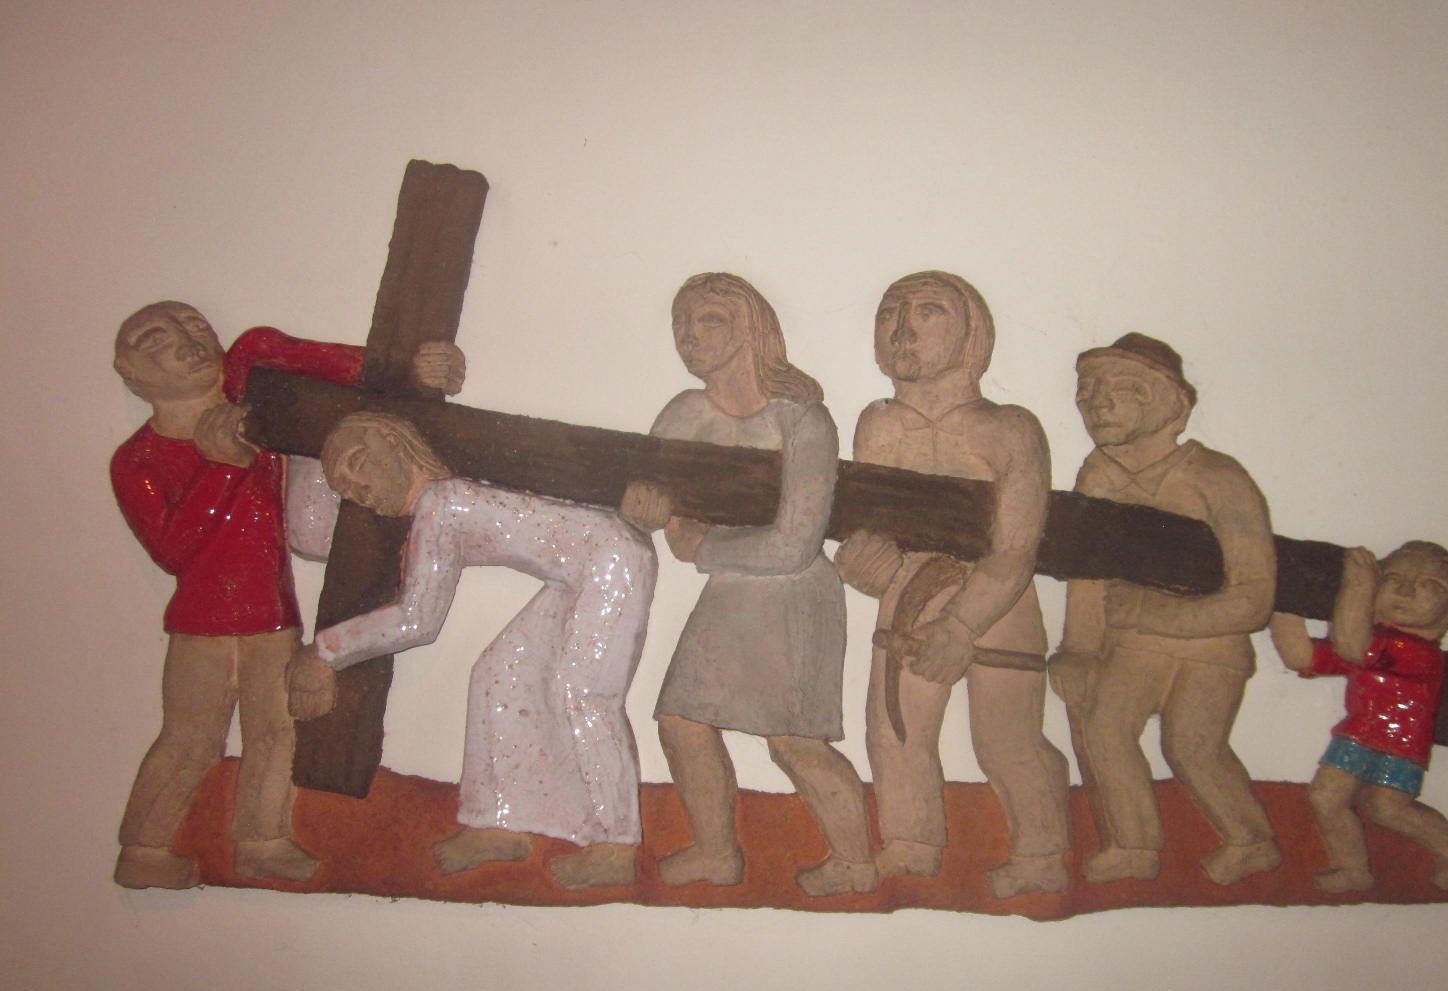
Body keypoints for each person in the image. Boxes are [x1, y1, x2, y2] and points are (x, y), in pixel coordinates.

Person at [108, 301, 424, 889]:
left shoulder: (254, 404)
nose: (186, 341)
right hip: (201, 626)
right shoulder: (138, 461)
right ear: (132, 376)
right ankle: (144, 848)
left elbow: (329, 365)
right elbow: (172, 551)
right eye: (155, 340)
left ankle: (262, 840)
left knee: (277, 731)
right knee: (191, 739)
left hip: (272, 616)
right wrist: (222, 467)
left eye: (195, 326)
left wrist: (407, 367)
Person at [285, 413, 656, 888]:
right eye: (347, 490)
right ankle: (501, 821)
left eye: (359, 466)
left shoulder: (442, 502)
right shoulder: (445, 499)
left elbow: (416, 619)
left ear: (393, 443)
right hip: (581, 570)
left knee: (583, 695)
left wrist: (325, 651)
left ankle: (616, 844)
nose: (361, 490)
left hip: (614, 559)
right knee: (502, 675)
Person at [619, 273, 876, 896]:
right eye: (681, 322)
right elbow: (653, 504)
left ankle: (856, 860)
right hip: (732, 587)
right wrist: (642, 510)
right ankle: (716, 852)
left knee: (793, 740)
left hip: (795, 593)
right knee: (682, 721)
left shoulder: (803, 420)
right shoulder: (684, 415)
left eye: (709, 320)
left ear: (750, 330)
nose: (689, 336)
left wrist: (704, 546)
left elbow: (795, 543)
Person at [836, 271, 1069, 899]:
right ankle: (910, 841)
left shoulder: (1009, 429)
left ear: (972, 333)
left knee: (1007, 737)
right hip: (910, 592)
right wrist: (862, 562)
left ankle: (1042, 850)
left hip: (996, 600)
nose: (902, 327)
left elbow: (1016, 548)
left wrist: (963, 625)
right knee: (895, 730)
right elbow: (872, 528)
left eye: (928, 311)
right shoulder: (878, 425)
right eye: (890, 311)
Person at [1051, 333, 1281, 886]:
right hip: (1133, 645)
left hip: (1211, 646)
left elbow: (1254, 595)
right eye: (1087, 389)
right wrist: (1079, 649)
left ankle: (1252, 840)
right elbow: (1089, 573)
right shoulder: (1099, 475)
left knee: (1192, 746)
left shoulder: (1216, 477)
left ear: (1171, 404)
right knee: (1105, 730)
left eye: (1124, 389)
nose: (1098, 403)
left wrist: (1158, 617)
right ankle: (1134, 844)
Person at [1269, 542, 1448, 892]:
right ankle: (1353, 869)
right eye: (1391, 578)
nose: (1405, 590)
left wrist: (1358, 586)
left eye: (1429, 585)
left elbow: (1354, 647)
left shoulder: (1418, 653)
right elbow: (1302, 657)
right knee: (1326, 797)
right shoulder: (1379, 642)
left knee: (1387, 809)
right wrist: (1283, 601)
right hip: (1358, 735)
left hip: (1401, 744)